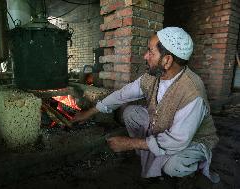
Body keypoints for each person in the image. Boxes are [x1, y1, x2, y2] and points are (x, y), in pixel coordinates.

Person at [72, 27, 219, 183]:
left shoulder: (192, 92)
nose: (145, 56)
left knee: (173, 166)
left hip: (191, 140)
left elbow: (177, 141)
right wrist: (89, 113)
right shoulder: (154, 76)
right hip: (164, 126)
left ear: (167, 60)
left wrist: (129, 143)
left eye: (151, 52)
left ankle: (192, 166)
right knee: (130, 113)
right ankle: (150, 152)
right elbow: (122, 95)